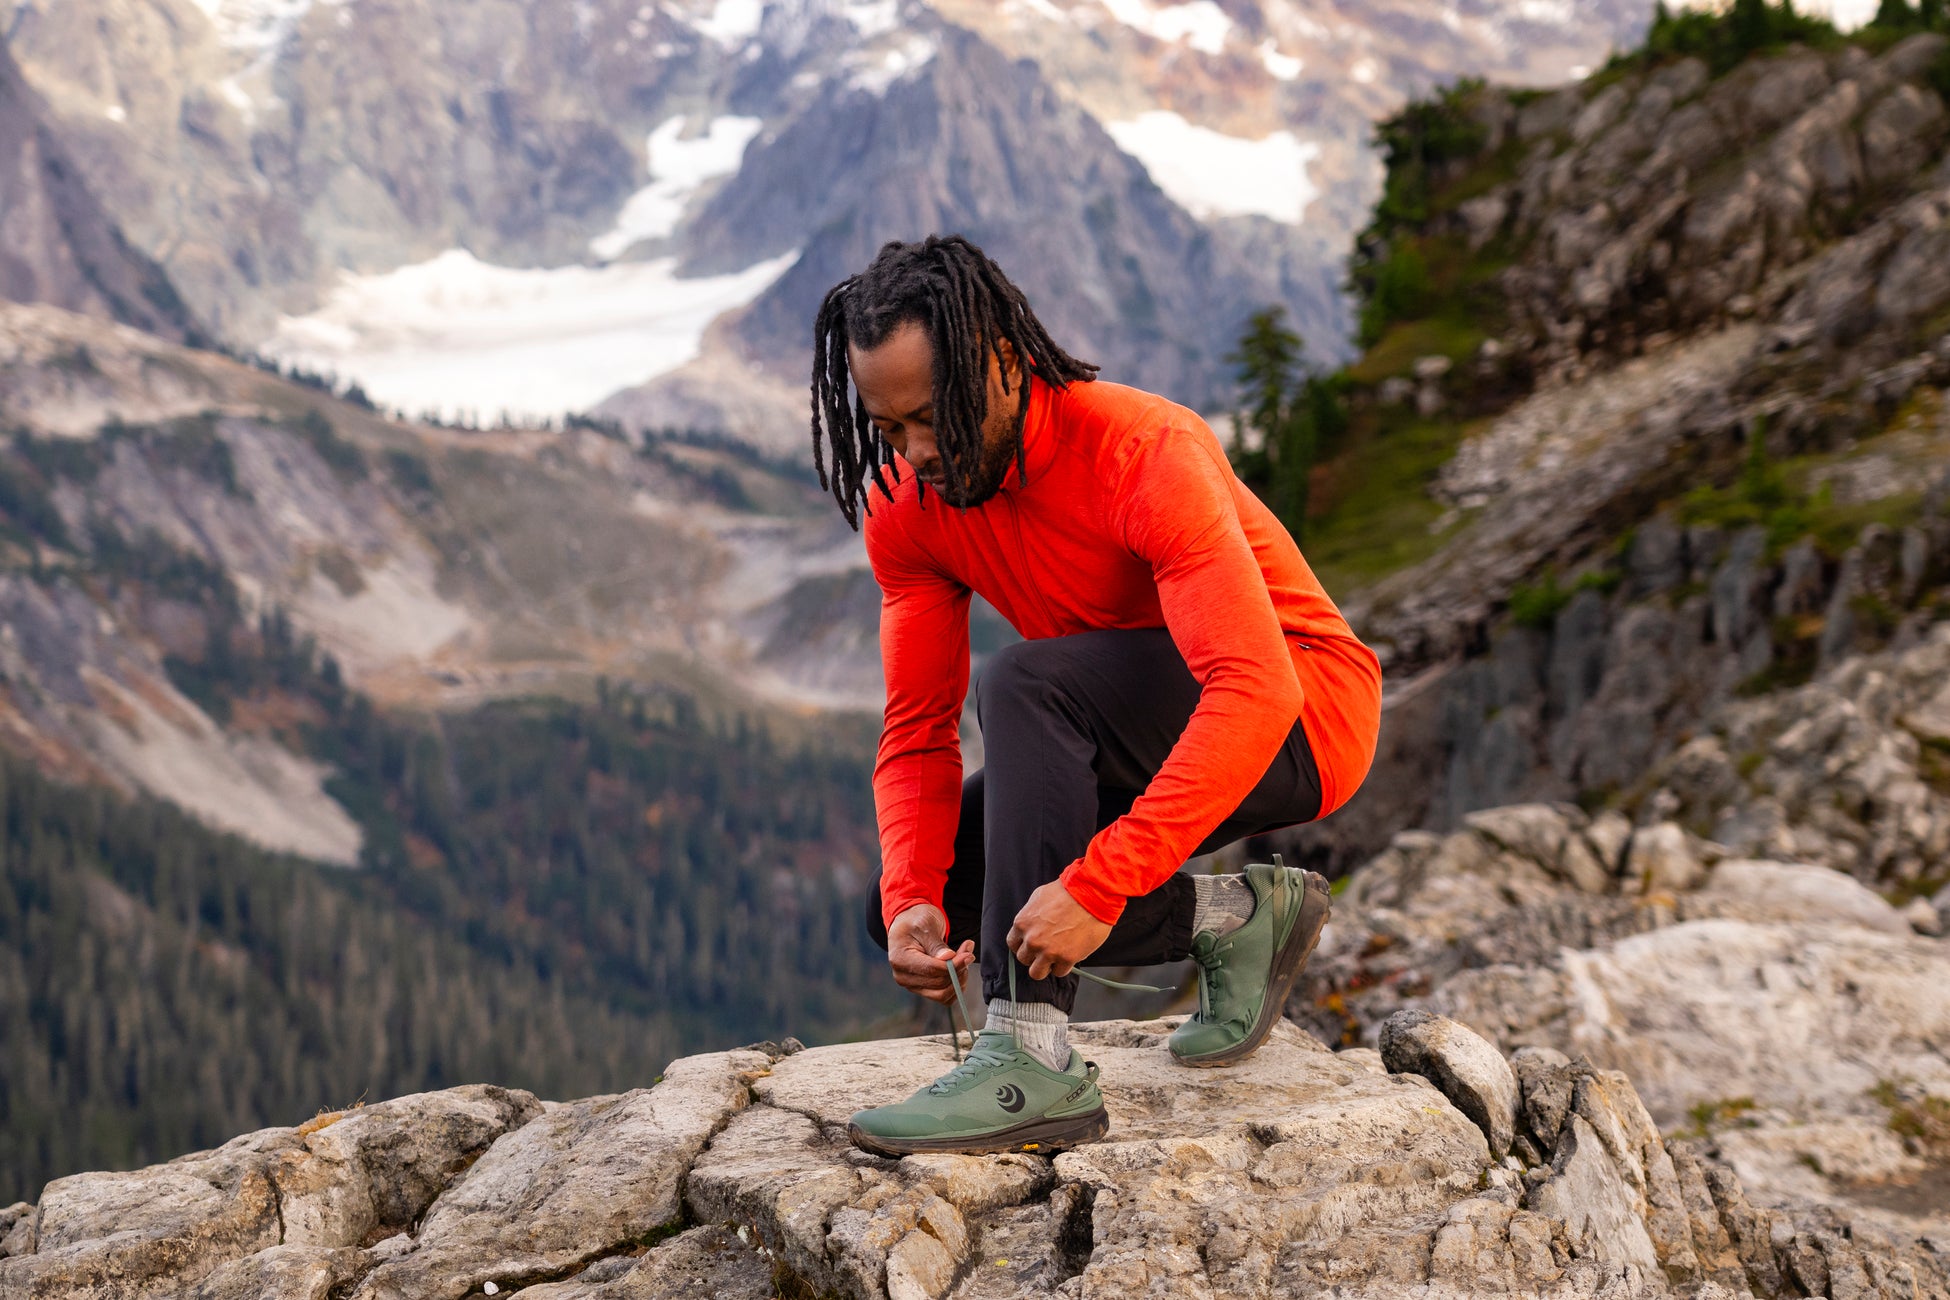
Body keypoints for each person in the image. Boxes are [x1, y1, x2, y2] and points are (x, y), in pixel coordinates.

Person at [810, 234, 1382, 1157]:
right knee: (930, 891)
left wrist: (1103, 881)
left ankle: (1029, 1058)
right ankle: (1234, 919)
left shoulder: (1142, 448)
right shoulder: (909, 511)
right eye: (888, 431)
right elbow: (917, 729)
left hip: (1302, 716)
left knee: (1026, 681)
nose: (915, 454)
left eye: (932, 419)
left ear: (1000, 364)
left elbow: (1253, 684)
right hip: (1133, 724)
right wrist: (912, 892)